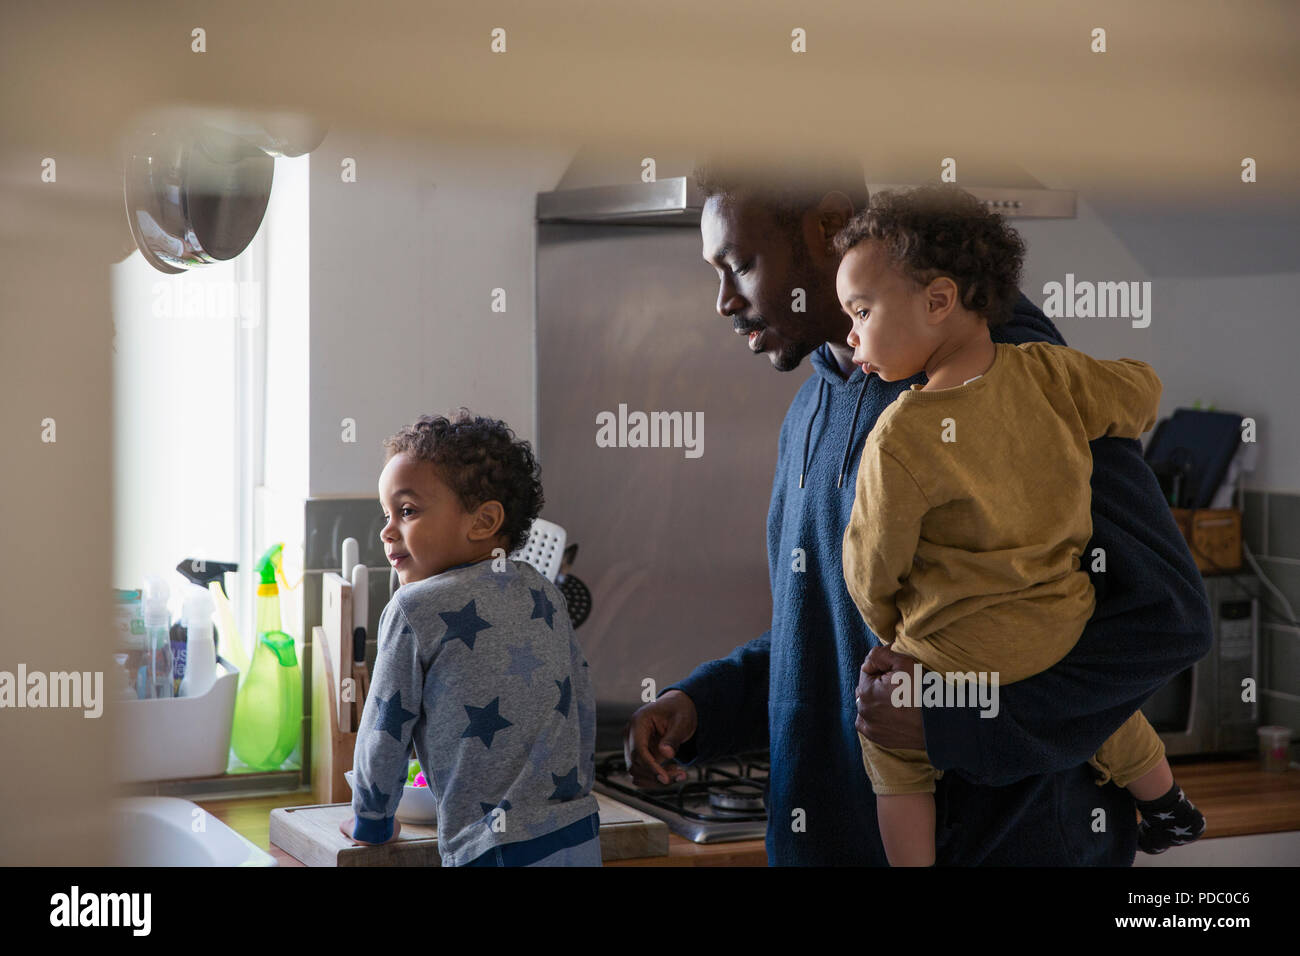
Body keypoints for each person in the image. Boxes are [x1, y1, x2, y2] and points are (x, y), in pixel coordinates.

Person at [623, 153, 1214, 865]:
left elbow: (1168, 617)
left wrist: (952, 723)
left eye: (740, 263)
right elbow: (851, 634)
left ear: (831, 226)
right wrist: (705, 706)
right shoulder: (817, 399)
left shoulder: (1010, 385)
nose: (722, 300)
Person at [835, 185, 1207, 866]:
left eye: (860, 311)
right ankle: (1167, 804)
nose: (851, 334)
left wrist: (894, 632)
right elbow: (1141, 392)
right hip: (1058, 627)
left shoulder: (901, 434)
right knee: (1101, 711)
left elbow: (869, 568)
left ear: (939, 301)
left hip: (958, 654)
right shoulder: (1052, 375)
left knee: (892, 751)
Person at [340, 410, 600, 866]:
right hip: (578, 831)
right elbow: (580, 703)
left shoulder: (413, 608)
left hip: (490, 848)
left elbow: (384, 730)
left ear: (482, 522)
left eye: (406, 511)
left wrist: (372, 820)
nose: (386, 531)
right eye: (386, 514)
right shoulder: (544, 591)